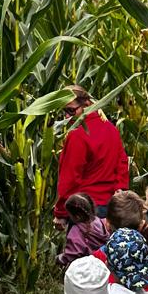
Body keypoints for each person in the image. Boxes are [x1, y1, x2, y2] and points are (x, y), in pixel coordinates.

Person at [53, 88, 129, 219]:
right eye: (64, 111)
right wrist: (120, 188)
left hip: (84, 209)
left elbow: (70, 179)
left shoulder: (77, 135)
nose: (66, 117)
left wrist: (60, 213)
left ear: (87, 104)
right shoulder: (111, 128)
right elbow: (122, 162)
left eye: (71, 110)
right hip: (110, 209)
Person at [57, 192, 109, 269]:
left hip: (85, 268)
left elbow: (72, 253)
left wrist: (60, 259)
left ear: (77, 216)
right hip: (102, 265)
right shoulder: (100, 222)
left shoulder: (76, 231)